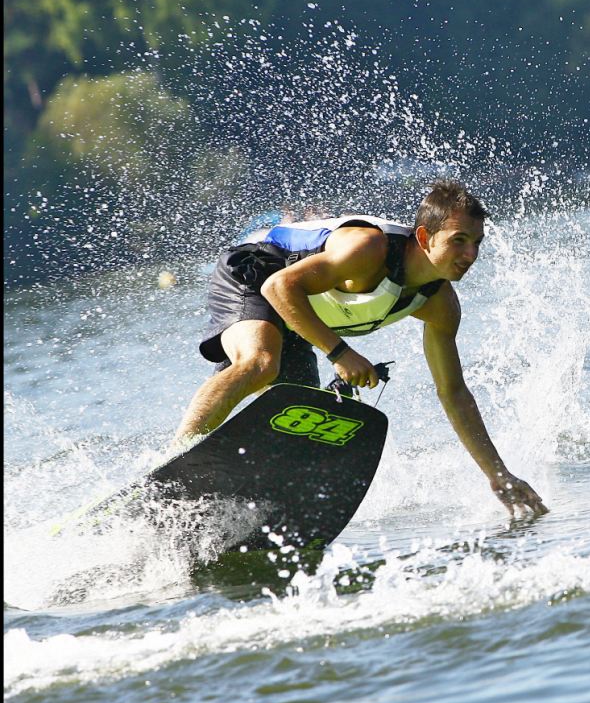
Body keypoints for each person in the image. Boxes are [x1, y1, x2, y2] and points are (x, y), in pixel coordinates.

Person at [174, 179, 548, 516]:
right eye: (458, 241)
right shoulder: (369, 249)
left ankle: (242, 503)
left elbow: (453, 393)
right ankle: (175, 461)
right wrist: (340, 353)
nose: (470, 255)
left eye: (477, 243)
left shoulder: (440, 306)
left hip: (299, 315)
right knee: (260, 363)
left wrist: (498, 475)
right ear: (423, 238)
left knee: (298, 415)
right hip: (258, 272)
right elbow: (278, 288)